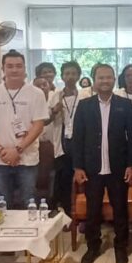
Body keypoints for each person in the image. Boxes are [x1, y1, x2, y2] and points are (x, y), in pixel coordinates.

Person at [72, 64, 132, 263]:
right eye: (101, 78)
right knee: (93, 210)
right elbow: (77, 138)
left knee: (120, 209)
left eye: (109, 77)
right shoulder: (84, 106)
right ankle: (93, 246)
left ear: (114, 80)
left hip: (118, 167)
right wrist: (78, 167)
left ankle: (121, 246)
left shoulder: (124, 105)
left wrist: (131, 165)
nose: (105, 81)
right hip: (92, 168)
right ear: (94, 80)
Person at [0, 51, 49, 210]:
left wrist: (18, 149)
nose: (14, 70)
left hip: (27, 159)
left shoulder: (36, 93)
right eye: (10, 66)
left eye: (18, 66)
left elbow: (38, 125)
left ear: (25, 68)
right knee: (2, 203)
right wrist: (0, 150)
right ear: (3, 69)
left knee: (28, 202)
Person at [47, 61, 83, 217]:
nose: (70, 77)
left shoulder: (84, 95)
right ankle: (65, 213)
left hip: (80, 143)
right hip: (61, 144)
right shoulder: (55, 96)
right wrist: (54, 111)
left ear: (79, 76)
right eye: (67, 73)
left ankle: (79, 214)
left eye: (73, 73)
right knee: (63, 180)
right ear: (62, 76)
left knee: (80, 179)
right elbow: (45, 121)